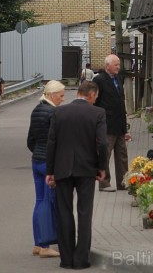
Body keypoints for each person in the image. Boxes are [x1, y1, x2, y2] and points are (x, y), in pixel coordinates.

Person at [45, 81, 107, 270]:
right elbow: (102, 143)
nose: (95, 100)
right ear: (91, 95)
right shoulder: (97, 113)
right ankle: (81, 260)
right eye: (95, 97)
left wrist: (50, 171)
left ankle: (66, 259)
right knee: (84, 213)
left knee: (64, 212)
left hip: (62, 169)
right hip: (87, 170)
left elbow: (51, 143)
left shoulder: (59, 112)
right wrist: (102, 167)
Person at [27, 80, 65, 258]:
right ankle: (45, 246)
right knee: (48, 202)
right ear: (51, 95)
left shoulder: (36, 111)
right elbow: (58, 141)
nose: (63, 99)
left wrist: (38, 152)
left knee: (39, 200)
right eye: (61, 95)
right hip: (49, 163)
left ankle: (37, 243)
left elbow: (30, 140)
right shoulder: (54, 113)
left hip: (36, 161)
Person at [93, 54, 131, 192]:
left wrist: (126, 127)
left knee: (122, 155)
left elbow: (121, 103)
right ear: (107, 65)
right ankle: (104, 183)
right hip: (106, 125)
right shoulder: (99, 80)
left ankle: (123, 182)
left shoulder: (119, 79)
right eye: (116, 65)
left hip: (120, 124)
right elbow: (95, 102)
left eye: (119, 65)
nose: (118, 67)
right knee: (105, 154)